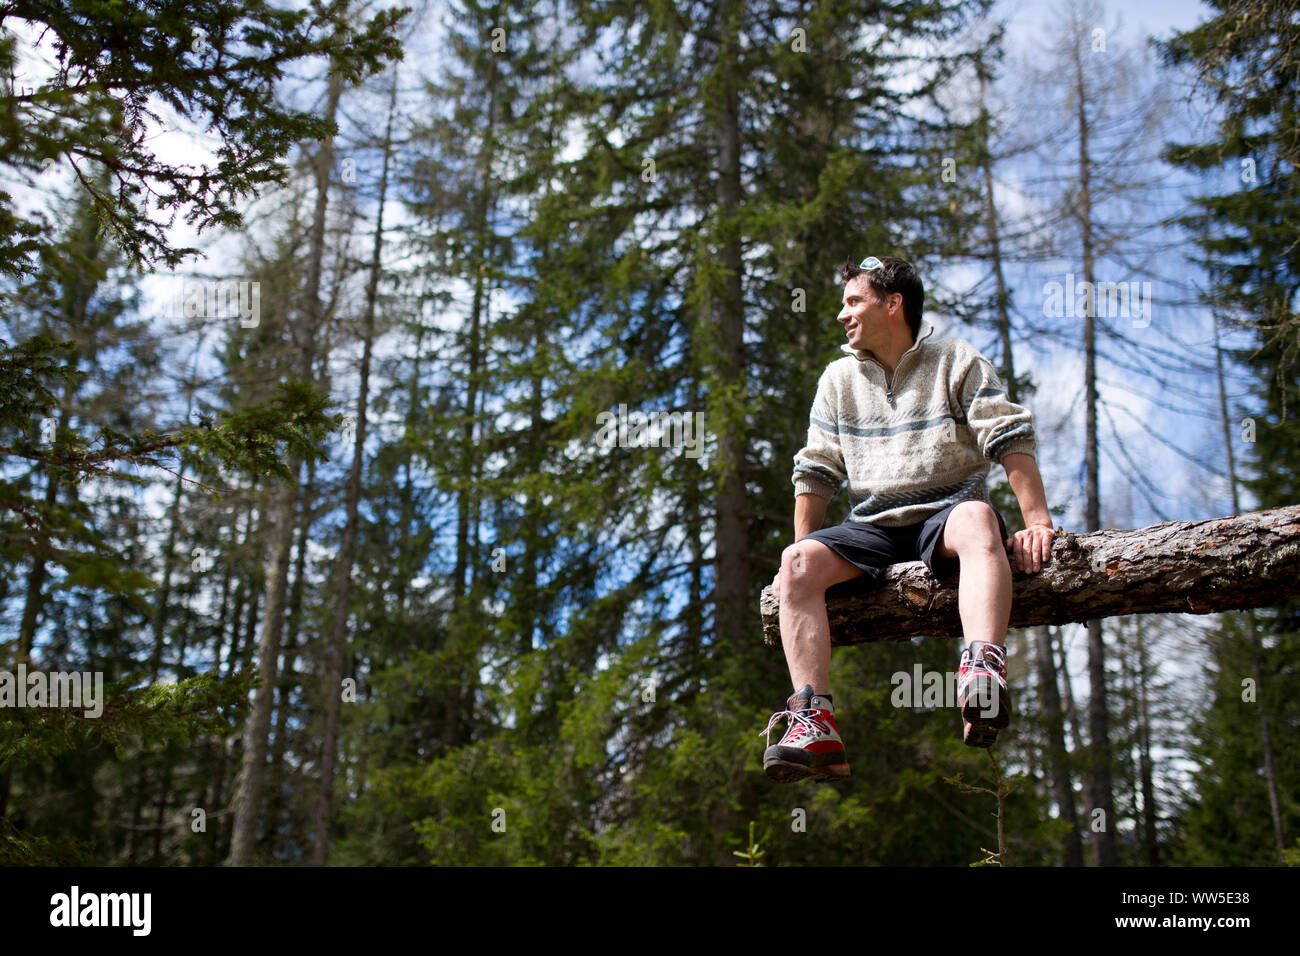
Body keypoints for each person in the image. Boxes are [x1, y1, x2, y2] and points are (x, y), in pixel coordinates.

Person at [762, 255, 1055, 783]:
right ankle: (813, 720)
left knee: (977, 520)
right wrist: (798, 569)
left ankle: (982, 672)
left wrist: (1038, 523)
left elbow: (1008, 435)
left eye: (854, 301)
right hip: (871, 526)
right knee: (797, 561)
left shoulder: (955, 360)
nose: (841, 314)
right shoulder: (837, 380)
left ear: (892, 304)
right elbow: (816, 471)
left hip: (947, 513)